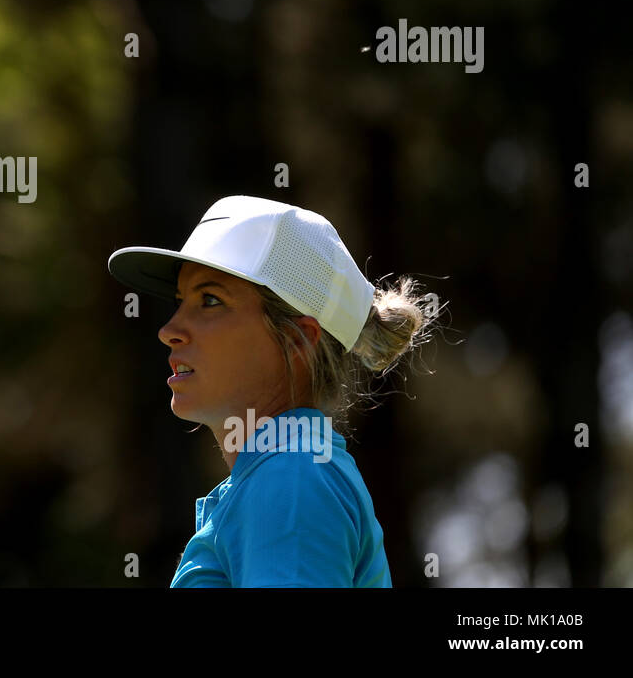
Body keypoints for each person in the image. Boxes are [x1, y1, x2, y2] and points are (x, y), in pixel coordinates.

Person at [107, 195, 441, 587]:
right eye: (181, 302)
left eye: (210, 300)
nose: (169, 330)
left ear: (298, 339)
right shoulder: (285, 474)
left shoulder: (292, 479)